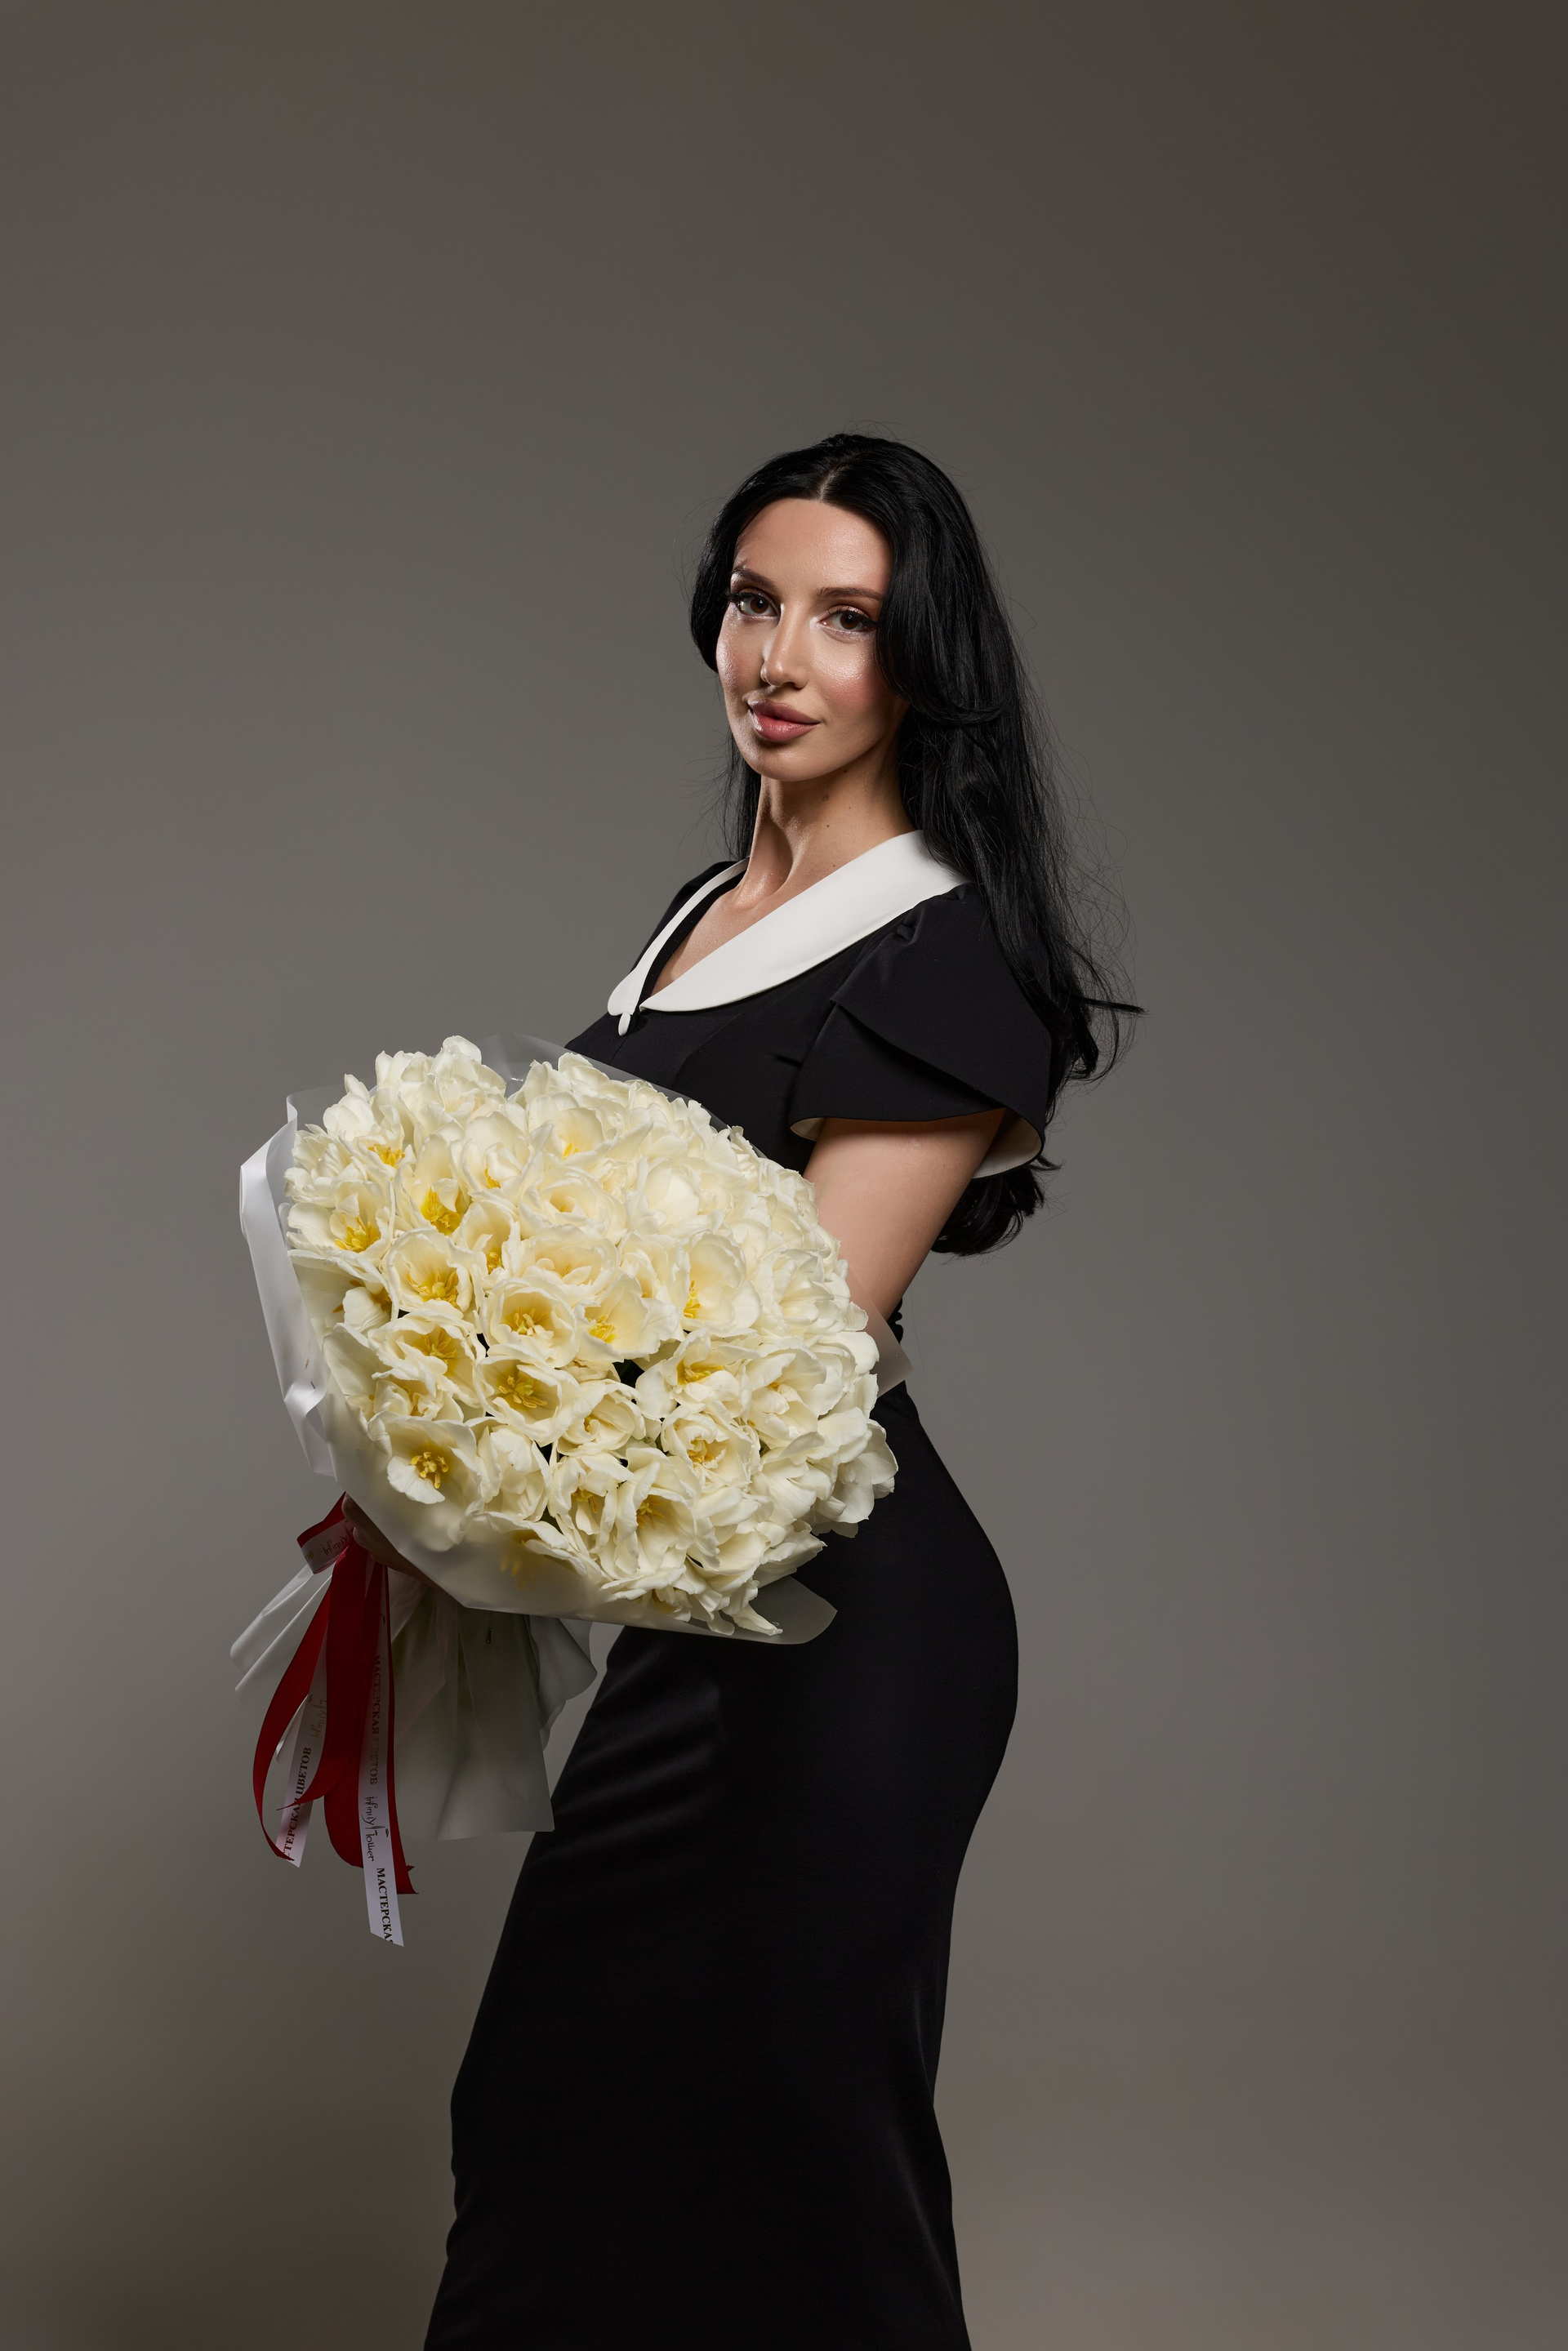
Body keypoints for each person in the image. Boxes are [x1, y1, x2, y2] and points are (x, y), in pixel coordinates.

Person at [351, 432, 1130, 2349]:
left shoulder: (945, 948)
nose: (779, 656)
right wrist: (413, 1425)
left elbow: (788, 1360)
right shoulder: (705, 910)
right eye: (753, 602)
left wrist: (484, 1439)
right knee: (543, 2117)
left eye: (845, 619)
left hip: (852, 1626)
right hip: (698, 1625)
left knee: (806, 2152)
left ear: (918, 662)